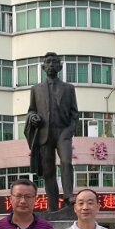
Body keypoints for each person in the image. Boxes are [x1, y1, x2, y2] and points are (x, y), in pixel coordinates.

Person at [25, 51, 79, 211]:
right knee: (48, 171)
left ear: (60, 67)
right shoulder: (36, 89)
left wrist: (69, 131)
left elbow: (75, 113)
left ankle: (68, 196)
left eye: (54, 62)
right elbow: (31, 110)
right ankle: (52, 205)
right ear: (43, 67)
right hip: (44, 134)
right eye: (48, 62)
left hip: (63, 132)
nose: (51, 65)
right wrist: (33, 117)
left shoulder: (69, 88)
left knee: (66, 162)